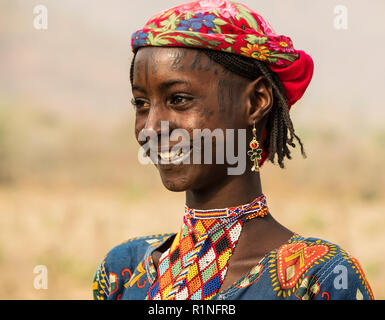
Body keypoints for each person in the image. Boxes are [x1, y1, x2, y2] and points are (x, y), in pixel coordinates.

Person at [92, 0, 374, 300]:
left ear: (256, 101)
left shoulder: (319, 277)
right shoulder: (123, 271)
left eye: (179, 99)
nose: (151, 128)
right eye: (141, 104)